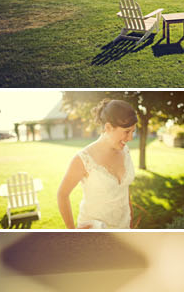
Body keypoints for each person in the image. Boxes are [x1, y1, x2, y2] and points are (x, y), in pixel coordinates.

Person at [57, 97, 137, 230]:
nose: (130, 138)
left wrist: (130, 220)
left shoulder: (125, 151)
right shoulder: (83, 159)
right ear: (108, 127)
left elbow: (124, 189)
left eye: (133, 131)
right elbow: (62, 194)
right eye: (127, 132)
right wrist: (71, 230)